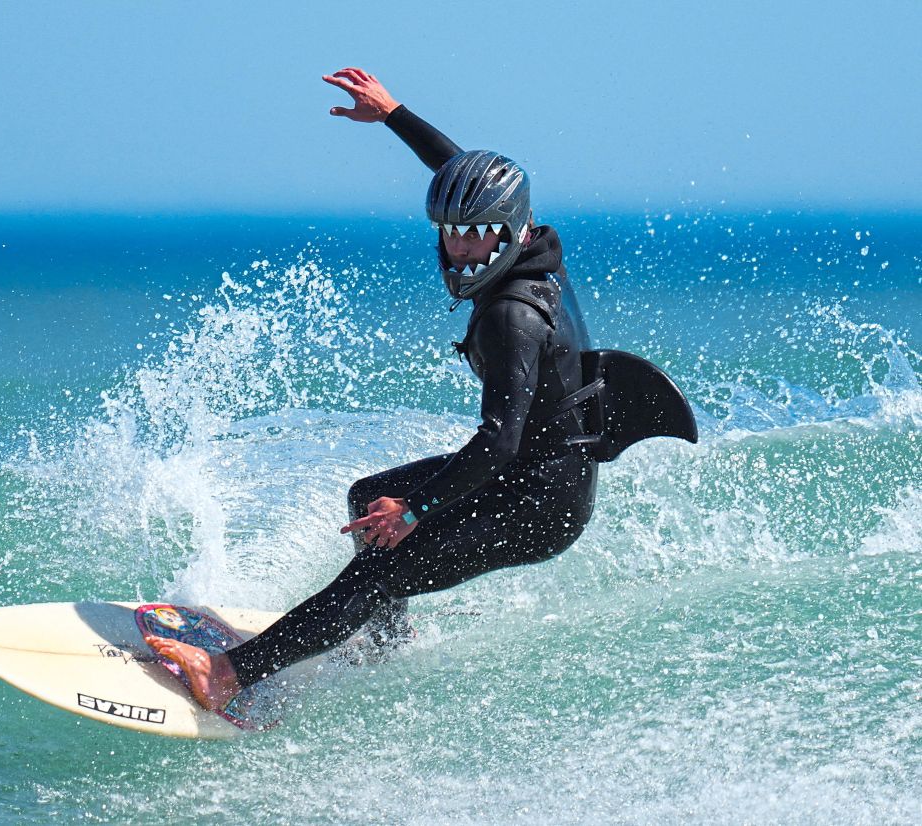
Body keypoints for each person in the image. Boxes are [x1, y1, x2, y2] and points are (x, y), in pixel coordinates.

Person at [146, 68, 695, 712]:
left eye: (476, 234)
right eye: (451, 231)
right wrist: (393, 114)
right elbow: (464, 172)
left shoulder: (510, 316)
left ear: (507, 232)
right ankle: (381, 641)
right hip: (526, 469)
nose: (462, 249)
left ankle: (229, 674)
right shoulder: (534, 241)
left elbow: (498, 441)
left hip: (538, 503)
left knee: (380, 562)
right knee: (367, 498)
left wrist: (415, 513)